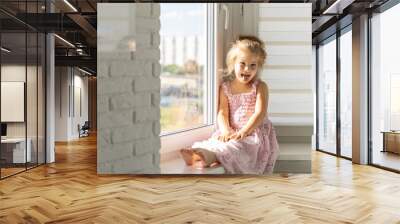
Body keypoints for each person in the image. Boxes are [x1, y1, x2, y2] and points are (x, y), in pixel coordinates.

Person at [180, 35, 279, 174]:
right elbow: (223, 112)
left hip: (252, 133)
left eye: (252, 66)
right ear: (233, 63)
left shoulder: (260, 87)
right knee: (219, 142)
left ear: (258, 67)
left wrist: (244, 131)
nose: (247, 69)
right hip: (231, 130)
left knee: (235, 147)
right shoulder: (225, 87)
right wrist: (225, 130)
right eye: (242, 64)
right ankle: (198, 153)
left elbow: (260, 113)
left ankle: (205, 156)